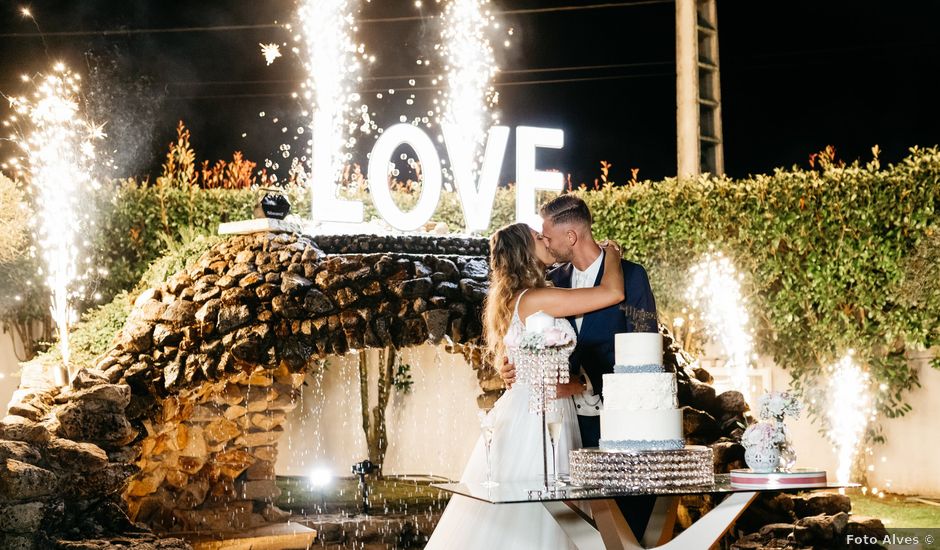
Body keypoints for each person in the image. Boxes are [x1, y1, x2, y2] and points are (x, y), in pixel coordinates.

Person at [425, 222, 624, 550]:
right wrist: (612, 254)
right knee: (541, 513)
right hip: (540, 417)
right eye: (536, 237)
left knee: (543, 513)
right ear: (524, 252)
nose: (545, 239)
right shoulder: (535, 298)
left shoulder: (519, 298)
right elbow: (612, 293)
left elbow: (523, 362)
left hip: (531, 411)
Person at [501, 194, 659, 540]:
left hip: (619, 426)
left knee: (626, 528)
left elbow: (647, 347)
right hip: (564, 427)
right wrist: (511, 366)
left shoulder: (631, 277)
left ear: (570, 236)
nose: (545, 240)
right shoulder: (549, 282)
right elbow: (527, 335)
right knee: (572, 531)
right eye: (539, 237)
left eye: (547, 234)